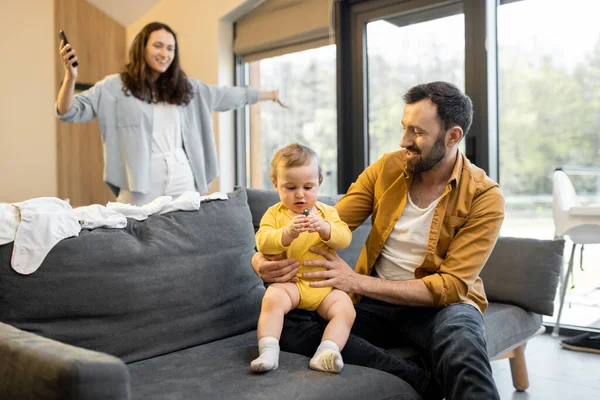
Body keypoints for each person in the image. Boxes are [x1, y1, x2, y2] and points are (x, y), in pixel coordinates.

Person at [252, 82, 504, 399]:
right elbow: (332, 221)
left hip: (442, 308)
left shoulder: (485, 196)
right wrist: (259, 259)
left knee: (462, 344)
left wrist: (355, 282)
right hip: (376, 306)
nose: (404, 141)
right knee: (290, 325)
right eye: (404, 128)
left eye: (417, 132)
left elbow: (451, 286)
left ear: (452, 136)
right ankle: (421, 381)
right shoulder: (388, 168)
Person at [56, 22, 284, 206]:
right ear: (142, 47)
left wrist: (271, 94)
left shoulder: (186, 88)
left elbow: (226, 95)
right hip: (140, 181)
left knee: (186, 238)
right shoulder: (114, 87)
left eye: (170, 48)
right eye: (158, 46)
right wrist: (71, 78)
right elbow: (68, 111)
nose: (165, 53)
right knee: (135, 237)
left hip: (183, 175)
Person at [250, 143, 355, 374]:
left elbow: (344, 238)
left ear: (319, 182)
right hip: (292, 284)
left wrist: (326, 229)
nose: (300, 194)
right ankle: (268, 349)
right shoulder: (274, 214)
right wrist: (286, 233)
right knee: (272, 299)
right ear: (276, 185)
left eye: (308, 186)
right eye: (290, 187)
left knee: (346, 309)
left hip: (324, 287)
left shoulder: (328, 212)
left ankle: (327, 351)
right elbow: (263, 242)